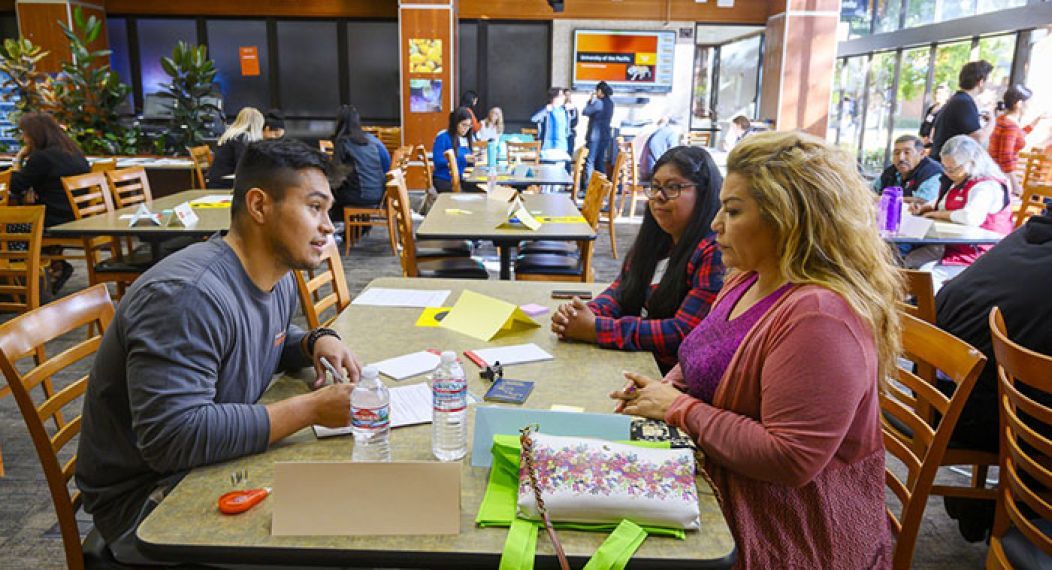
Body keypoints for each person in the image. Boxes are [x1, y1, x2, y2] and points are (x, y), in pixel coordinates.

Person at [610, 131, 901, 567]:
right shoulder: (747, 277)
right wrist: (666, 388)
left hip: (790, 533)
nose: (715, 224)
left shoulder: (820, 317)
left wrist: (678, 409)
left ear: (787, 218)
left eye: (732, 211)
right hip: (726, 490)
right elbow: (702, 355)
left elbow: (791, 458)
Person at [75, 139, 362, 565]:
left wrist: (314, 341)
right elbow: (172, 437)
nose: (328, 226)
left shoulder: (276, 274)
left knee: (355, 508)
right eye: (314, 208)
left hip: (213, 467)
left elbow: (264, 338)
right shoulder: (186, 296)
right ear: (259, 206)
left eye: (328, 210)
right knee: (335, 543)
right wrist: (312, 409)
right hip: (149, 504)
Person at [551, 146, 724, 374]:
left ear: (703, 193)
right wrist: (584, 314)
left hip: (671, 378)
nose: (659, 197)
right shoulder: (657, 240)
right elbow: (621, 291)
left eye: (673, 187)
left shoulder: (714, 252)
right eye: (655, 187)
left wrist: (597, 328)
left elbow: (683, 332)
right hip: (637, 361)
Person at [934, 210, 1052, 541]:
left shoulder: (1025, 237)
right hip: (982, 415)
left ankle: (1001, 505)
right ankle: (1017, 511)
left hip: (935, 391)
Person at [907, 135, 1013, 291]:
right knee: (907, 262)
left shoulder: (987, 185)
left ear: (972, 161)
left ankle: (931, 306)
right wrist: (925, 207)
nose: (948, 173)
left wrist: (937, 214)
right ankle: (909, 303)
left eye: (953, 168)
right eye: (945, 167)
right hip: (953, 247)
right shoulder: (960, 180)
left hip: (982, 254)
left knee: (927, 275)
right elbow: (942, 203)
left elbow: (971, 217)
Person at [9, 111, 90, 293]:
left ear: (35, 135)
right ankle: (55, 265)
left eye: (25, 134)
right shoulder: (73, 152)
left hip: (56, 220)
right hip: (74, 215)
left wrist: (18, 159)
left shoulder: (42, 158)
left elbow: (16, 185)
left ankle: (20, 281)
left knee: (9, 226)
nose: (24, 139)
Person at [330, 104, 391, 213]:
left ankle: (338, 223)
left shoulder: (343, 142)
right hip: (380, 195)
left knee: (329, 196)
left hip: (359, 197)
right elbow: (387, 165)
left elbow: (335, 175)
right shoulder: (373, 140)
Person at [930, 60, 995, 161]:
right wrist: (992, 121)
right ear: (981, 82)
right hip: (946, 164)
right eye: (988, 81)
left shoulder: (957, 100)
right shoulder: (964, 102)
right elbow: (979, 138)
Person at [988, 84, 1047, 195]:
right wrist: (1015, 184)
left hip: (994, 172)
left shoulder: (1002, 119)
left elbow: (1018, 136)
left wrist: (1037, 120)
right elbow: (1006, 157)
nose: (1030, 106)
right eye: (1028, 103)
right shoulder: (1010, 125)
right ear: (1019, 104)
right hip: (1000, 176)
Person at [871, 134, 944, 203]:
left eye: (907, 152)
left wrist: (887, 199)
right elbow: (871, 190)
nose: (901, 158)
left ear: (922, 154)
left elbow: (925, 200)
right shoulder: (891, 171)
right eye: (897, 153)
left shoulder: (932, 172)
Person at [207, 107, 265, 188]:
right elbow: (243, 164)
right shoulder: (242, 138)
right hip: (224, 184)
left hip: (217, 181)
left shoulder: (231, 135)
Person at [431, 107, 476, 193]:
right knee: (476, 194)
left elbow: (467, 164)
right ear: (455, 123)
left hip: (461, 179)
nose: (466, 129)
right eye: (464, 125)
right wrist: (463, 159)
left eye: (469, 126)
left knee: (483, 192)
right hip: (444, 179)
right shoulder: (443, 137)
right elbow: (438, 161)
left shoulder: (464, 139)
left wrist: (473, 160)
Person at [581, 81, 615, 190]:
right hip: (605, 136)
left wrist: (590, 101)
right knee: (600, 161)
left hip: (594, 137)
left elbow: (585, 111)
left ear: (600, 91)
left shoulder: (598, 103)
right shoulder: (610, 103)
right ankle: (603, 187)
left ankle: (588, 188)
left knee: (590, 161)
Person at [531, 87, 572, 159]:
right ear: (554, 97)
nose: (563, 97)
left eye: (563, 95)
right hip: (548, 147)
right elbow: (534, 119)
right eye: (561, 95)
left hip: (561, 146)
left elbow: (572, 122)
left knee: (561, 165)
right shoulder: (546, 109)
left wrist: (572, 109)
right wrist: (545, 110)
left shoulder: (564, 110)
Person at [639, 116, 680, 181]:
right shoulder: (671, 133)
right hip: (654, 174)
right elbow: (674, 155)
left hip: (644, 173)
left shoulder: (657, 132)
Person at [563, 88, 579, 156]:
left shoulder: (573, 108)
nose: (567, 97)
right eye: (566, 95)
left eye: (569, 95)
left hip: (570, 133)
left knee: (569, 154)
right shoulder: (559, 108)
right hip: (561, 133)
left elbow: (575, 122)